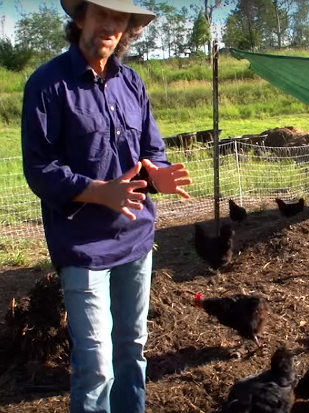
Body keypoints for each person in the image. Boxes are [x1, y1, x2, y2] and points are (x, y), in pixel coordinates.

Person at [20, 0, 193, 412]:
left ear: (128, 29)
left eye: (120, 18)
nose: (110, 25)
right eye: (101, 14)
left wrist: (158, 176)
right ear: (80, 18)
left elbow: (152, 150)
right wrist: (100, 191)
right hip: (83, 245)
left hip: (135, 239)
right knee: (96, 366)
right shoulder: (48, 84)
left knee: (132, 349)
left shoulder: (132, 83)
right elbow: (39, 169)